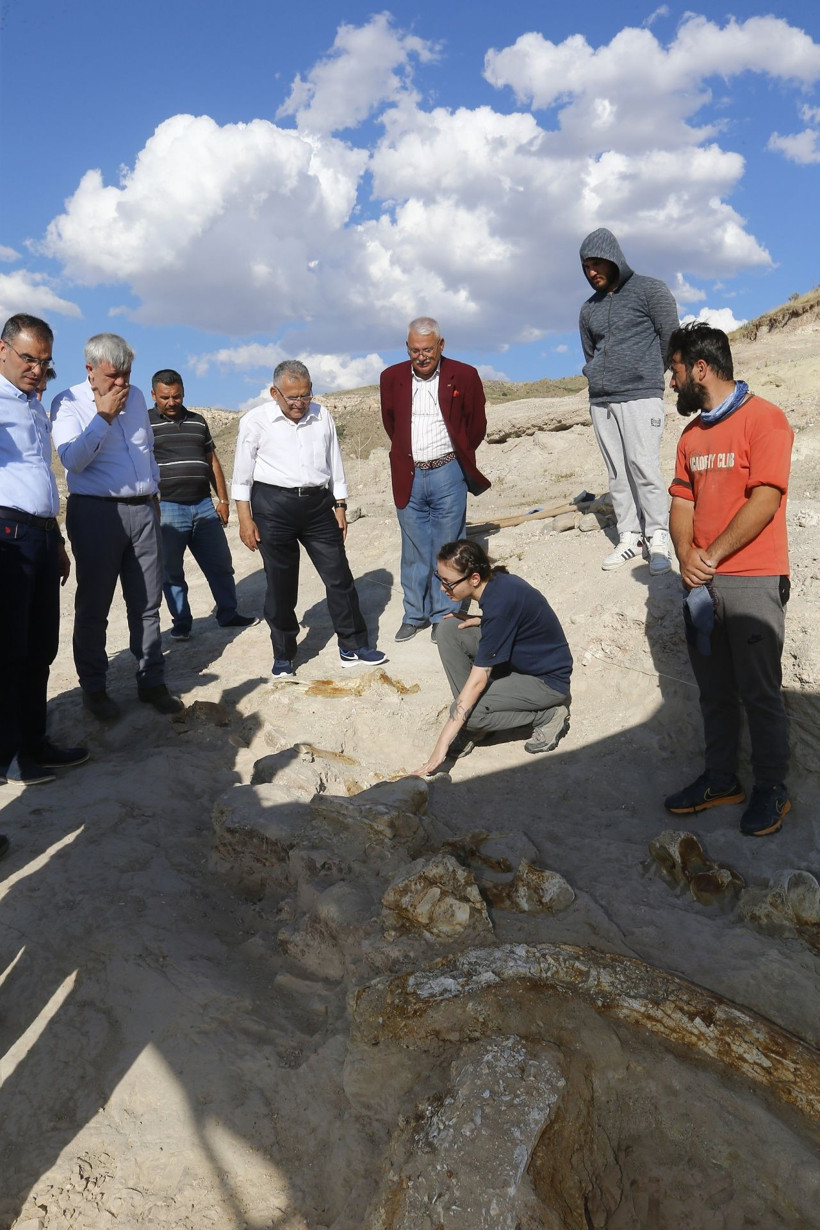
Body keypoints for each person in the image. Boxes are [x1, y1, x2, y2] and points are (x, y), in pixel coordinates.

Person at [663, 322, 793, 837]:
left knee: (760, 690)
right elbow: (680, 501)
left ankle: (772, 787)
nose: (671, 383)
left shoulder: (766, 419)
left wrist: (709, 555)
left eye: (673, 371)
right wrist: (685, 555)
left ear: (699, 368)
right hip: (702, 583)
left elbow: (765, 500)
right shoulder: (690, 436)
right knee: (713, 691)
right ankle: (721, 780)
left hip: (753, 578)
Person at [51, 334, 183, 720]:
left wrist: (153, 494)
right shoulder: (68, 402)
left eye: (126, 374)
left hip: (144, 510)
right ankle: (94, 688)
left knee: (146, 604)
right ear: (90, 370)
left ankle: (151, 682)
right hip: (96, 514)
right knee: (94, 606)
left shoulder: (140, 397)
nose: (122, 384)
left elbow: (145, 453)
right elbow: (73, 461)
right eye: (113, 376)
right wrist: (103, 416)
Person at [232, 360, 387, 678]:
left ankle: (353, 646)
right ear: (275, 392)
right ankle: (284, 655)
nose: (300, 403)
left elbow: (335, 462)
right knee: (280, 584)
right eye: (293, 397)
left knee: (339, 576)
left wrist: (340, 504)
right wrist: (245, 519)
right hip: (273, 507)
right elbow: (242, 476)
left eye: (306, 395)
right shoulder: (255, 421)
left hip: (318, 505)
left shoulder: (322, 415)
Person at [0, 313, 88, 786]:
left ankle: (36, 744)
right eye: (28, 358)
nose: (36, 368)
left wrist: (56, 540)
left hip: (38, 532)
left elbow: (39, 478)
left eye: (45, 361)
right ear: (3, 350)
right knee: (9, 650)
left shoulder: (34, 407)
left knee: (40, 648)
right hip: (6, 536)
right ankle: (9, 756)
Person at [413, 540, 572, 776]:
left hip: (546, 682)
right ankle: (473, 719)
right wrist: (483, 620)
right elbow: (511, 619)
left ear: (474, 579)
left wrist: (442, 744)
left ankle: (548, 715)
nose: (442, 588)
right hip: (518, 663)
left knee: (469, 712)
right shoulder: (495, 584)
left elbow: (478, 679)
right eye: (440, 579)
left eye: (448, 583)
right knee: (450, 629)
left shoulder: (501, 601)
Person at [380, 317, 489, 642]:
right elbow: (391, 423)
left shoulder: (465, 375)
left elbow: (476, 423)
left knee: (449, 548)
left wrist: (456, 457)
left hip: (447, 471)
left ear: (441, 346)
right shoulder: (391, 378)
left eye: (427, 349)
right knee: (414, 549)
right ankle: (414, 615)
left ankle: (446, 617)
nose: (421, 357)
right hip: (409, 472)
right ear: (407, 348)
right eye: (415, 350)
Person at [579, 228, 679, 573]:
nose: (592, 272)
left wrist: (649, 372)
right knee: (617, 472)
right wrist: (597, 374)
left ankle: (659, 536)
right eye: (586, 267)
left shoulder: (651, 290)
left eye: (597, 264)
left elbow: (671, 337)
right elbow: (591, 352)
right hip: (602, 400)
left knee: (644, 466)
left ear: (613, 258)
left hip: (641, 394)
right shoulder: (587, 310)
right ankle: (629, 535)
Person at [149, 368, 257, 640]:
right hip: (167, 508)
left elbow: (211, 461)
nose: (172, 402)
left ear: (183, 392)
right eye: (165, 397)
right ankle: (182, 622)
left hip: (204, 505)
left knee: (220, 563)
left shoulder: (198, 421)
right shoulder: (144, 424)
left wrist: (222, 499)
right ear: (153, 395)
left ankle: (228, 614)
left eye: (177, 396)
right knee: (171, 570)